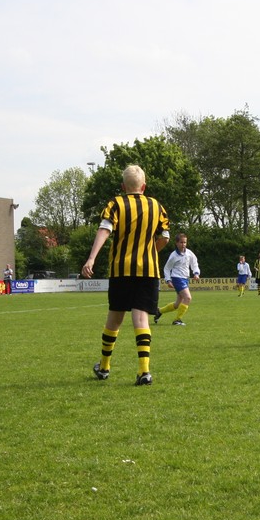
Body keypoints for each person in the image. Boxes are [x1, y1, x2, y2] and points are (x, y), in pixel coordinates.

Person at [81, 164, 170, 386]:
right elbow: (165, 237)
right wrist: (150, 252)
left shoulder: (116, 204)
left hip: (121, 269)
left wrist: (91, 258)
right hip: (148, 270)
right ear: (144, 186)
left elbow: (105, 229)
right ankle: (144, 371)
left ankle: (104, 366)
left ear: (123, 186)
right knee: (141, 318)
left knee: (115, 317)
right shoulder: (157, 206)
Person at [155, 233, 200, 326]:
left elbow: (194, 263)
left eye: (185, 242)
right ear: (176, 243)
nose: (183, 244)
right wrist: (168, 280)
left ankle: (159, 311)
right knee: (188, 298)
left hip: (185, 279)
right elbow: (167, 268)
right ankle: (177, 320)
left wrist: (196, 273)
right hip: (177, 278)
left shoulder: (189, 253)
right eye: (181, 242)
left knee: (177, 304)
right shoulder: (173, 255)